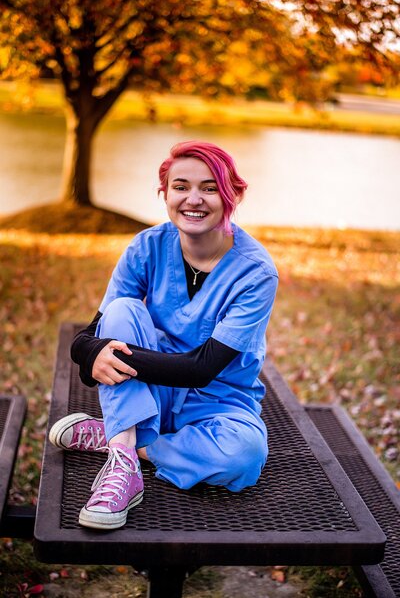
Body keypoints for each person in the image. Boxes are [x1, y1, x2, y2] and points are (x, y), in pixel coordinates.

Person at [49, 141, 279, 530]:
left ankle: (121, 437)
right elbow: (89, 335)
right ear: (165, 193)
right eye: (181, 186)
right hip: (150, 392)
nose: (194, 199)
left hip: (217, 400)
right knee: (123, 310)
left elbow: (201, 369)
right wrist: (93, 353)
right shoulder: (146, 247)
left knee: (245, 456)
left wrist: (103, 356)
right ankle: (124, 470)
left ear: (233, 194)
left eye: (210, 187)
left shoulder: (255, 273)